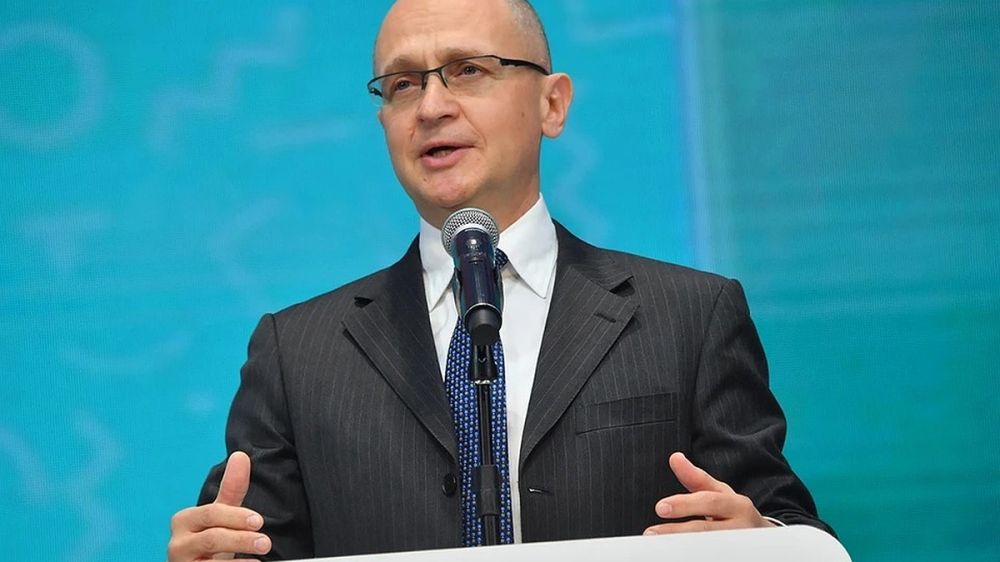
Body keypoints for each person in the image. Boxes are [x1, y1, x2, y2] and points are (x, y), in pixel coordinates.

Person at [167, 0, 833, 560]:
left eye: (468, 71)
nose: (431, 106)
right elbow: (247, 544)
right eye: (403, 84)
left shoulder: (690, 315)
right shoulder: (296, 352)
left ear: (552, 103)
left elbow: (795, 529)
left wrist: (764, 541)